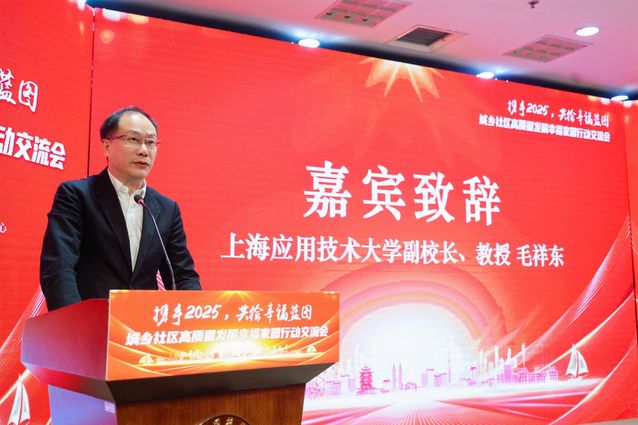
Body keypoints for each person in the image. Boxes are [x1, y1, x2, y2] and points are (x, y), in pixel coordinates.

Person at [40, 106, 201, 311]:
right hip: (91, 322)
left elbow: (183, 275)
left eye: (150, 142)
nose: (144, 150)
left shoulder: (166, 209)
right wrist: (73, 321)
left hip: (144, 324)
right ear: (107, 146)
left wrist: (195, 315)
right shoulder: (76, 195)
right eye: (133, 139)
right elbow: (59, 267)